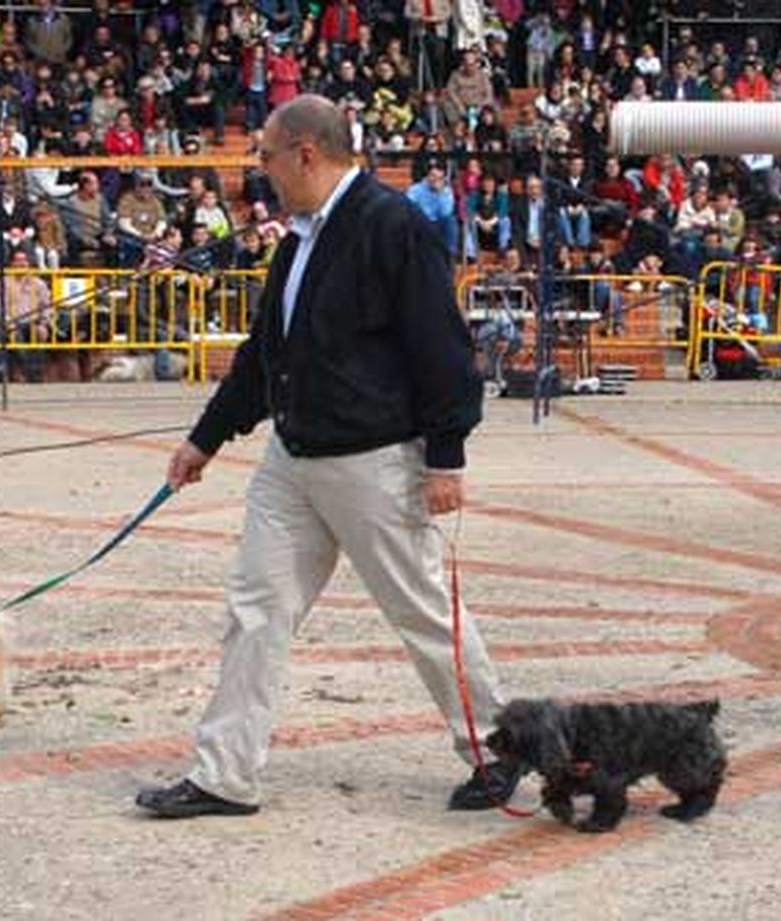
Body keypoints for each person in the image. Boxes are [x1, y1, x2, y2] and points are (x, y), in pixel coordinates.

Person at [136, 95, 512, 819]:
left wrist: (447, 454)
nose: (261, 171)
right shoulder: (296, 241)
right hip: (292, 459)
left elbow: (443, 348)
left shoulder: (393, 226)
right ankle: (224, 775)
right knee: (256, 609)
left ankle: (497, 747)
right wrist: (204, 438)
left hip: (374, 462)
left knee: (423, 611)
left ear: (305, 153)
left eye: (266, 156)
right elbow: (264, 354)